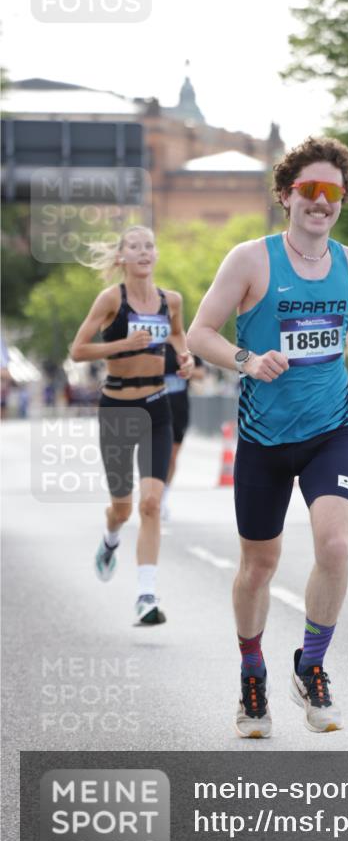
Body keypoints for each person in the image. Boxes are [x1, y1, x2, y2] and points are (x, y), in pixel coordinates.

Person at [188, 136, 348, 737]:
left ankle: (312, 665)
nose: (321, 202)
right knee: (259, 565)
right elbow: (200, 334)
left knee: (335, 548)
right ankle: (253, 674)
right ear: (286, 195)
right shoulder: (251, 260)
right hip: (264, 438)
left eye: (332, 192)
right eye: (310, 191)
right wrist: (247, 360)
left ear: (343, 199)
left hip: (331, 430)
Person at [69, 225, 194, 624]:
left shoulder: (170, 300)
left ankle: (146, 596)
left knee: (152, 504)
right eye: (134, 247)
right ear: (121, 257)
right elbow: (78, 350)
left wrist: (186, 357)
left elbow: (177, 337)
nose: (143, 252)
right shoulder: (111, 299)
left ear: (156, 255)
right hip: (118, 409)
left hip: (157, 404)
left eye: (149, 246)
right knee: (122, 510)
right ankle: (109, 540)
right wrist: (123, 344)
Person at [161, 343, 205, 521]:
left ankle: (162, 497)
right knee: (155, 455)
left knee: (171, 457)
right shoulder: (152, 341)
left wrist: (186, 369)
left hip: (178, 410)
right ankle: (151, 496)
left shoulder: (184, 346)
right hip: (154, 409)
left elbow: (201, 373)